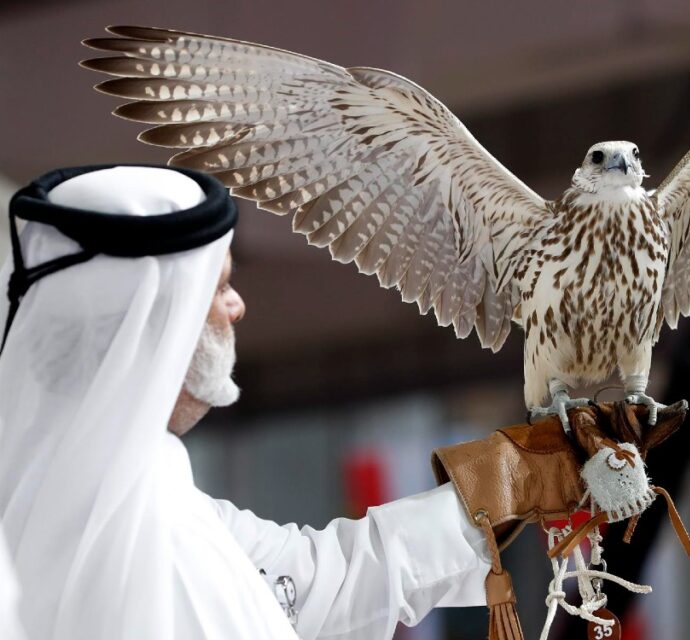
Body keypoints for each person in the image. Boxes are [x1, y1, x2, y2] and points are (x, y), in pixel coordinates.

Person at [0, 165, 494, 640]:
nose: (237, 306)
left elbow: (318, 580)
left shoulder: (151, 485)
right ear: (151, 324)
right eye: (219, 287)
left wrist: (501, 490)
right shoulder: (122, 532)